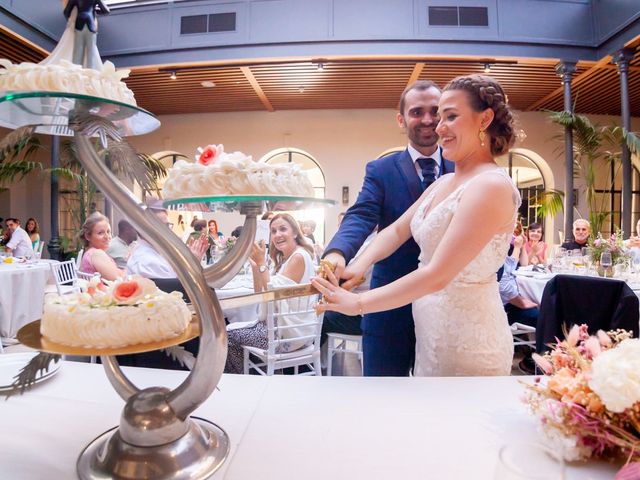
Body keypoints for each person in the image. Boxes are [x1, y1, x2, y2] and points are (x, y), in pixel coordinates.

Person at [313, 74, 520, 377]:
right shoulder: (446, 182)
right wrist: (358, 263)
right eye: (439, 117)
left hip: (467, 339)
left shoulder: (490, 185)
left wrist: (357, 303)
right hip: (430, 332)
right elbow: (397, 230)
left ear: (485, 119)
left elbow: (438, 275)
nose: (437, 126)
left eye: (448, 116)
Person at [322, 79, 455, 377]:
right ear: (401, 119)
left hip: (447, 306)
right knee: (382, 401)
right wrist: (338, 252)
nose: (427, 119)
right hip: (387, 309)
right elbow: (360, 216)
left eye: (435, 111)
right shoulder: (381, 169)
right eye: (417, 112)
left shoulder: (463, 168)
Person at [224, 213, 316, 374]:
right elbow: (259, 292)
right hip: (286, 330)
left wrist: (261, 263)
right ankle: (255, 375)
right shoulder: (283, 259)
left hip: (288, 335)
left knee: (226, 335)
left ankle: (244, 380)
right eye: (273, 231)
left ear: (295, 232)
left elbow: (272, 294)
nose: (277, 235)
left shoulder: (298, 257)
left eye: (282, 229)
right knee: (230, 331)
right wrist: (255, 265)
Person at [127, 201, 208, 279]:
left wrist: (190, 260)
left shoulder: (156, 250)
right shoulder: (146, 261)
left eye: (168, 225)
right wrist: (193, 263)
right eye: (163, 226)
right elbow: (178, 290)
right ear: (146, 228)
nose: (169, 231)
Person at [63, 0, 110, 70]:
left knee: (78, 51)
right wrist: (95, 11)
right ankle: (90, 73)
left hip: (79, 23)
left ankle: (75, 72)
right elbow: (106, 10)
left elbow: (66, 12)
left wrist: (70, 20)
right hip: (91, 24)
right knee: (91, 50)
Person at [78, 212, 124, 281]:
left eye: (108, 232)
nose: (107, 237)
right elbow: (118, 280)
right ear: (87, 236)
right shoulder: (96, 254)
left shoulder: (91, 252)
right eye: (100, 233)